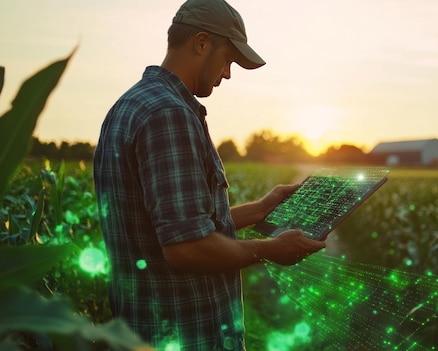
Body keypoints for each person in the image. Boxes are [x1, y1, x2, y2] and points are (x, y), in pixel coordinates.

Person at [92, 0, 326, 350]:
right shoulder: (169, 114)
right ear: (201, 43)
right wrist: (271, 249)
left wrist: (260, 209)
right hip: (186, 335)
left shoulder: (133, 104)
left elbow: (173, 224)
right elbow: (186, 248)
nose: (228, 73)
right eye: (228, 59)